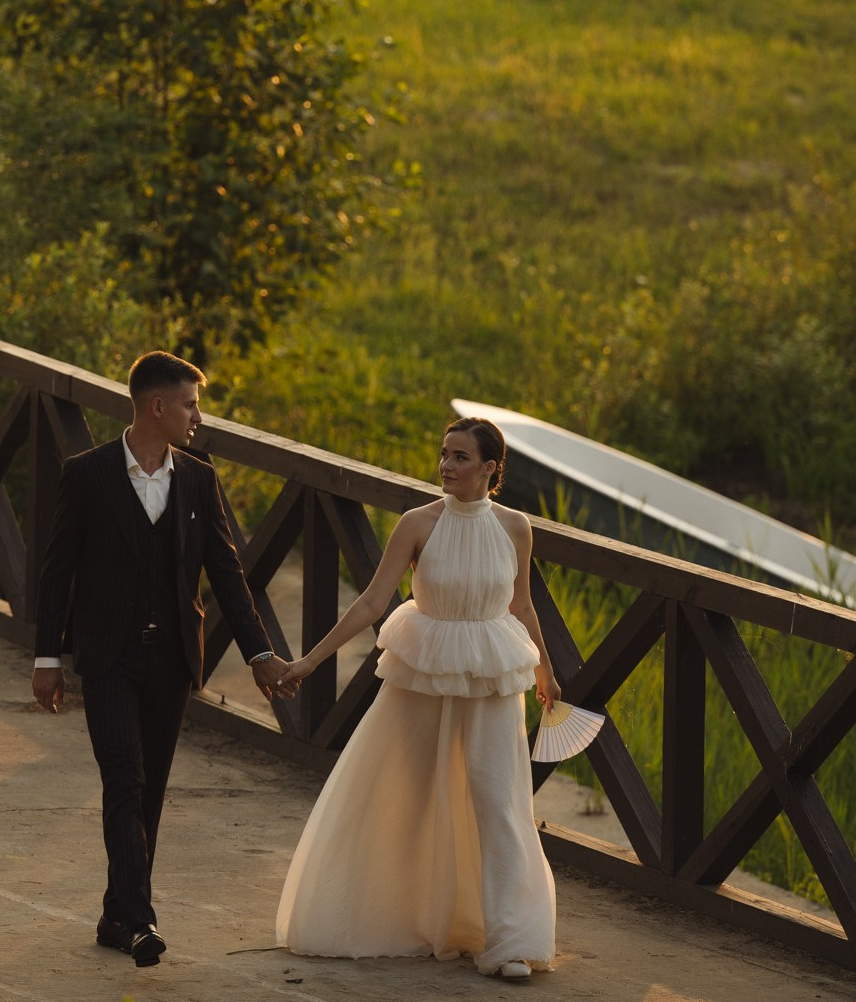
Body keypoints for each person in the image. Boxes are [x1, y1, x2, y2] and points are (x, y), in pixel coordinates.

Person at [32, 349, 297, 969]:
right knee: (124, 779)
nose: (198, 416)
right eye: (190, 404)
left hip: (172, 661)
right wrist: (47, 657)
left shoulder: (200, 479)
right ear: (157, 406)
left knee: (148, 792)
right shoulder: (89, 474)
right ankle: (142, 920)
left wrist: (260, 652)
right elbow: (56, 572)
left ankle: (115, 914)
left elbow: (228, 575)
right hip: (108, 659)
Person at [276, 414, 560, 982]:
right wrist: (309, 660)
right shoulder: (416, 523)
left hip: (493, 674)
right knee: (403, 792)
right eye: (444, 453)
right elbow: (371, 604)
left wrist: (547, 673)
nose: (446, 466)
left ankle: (505, 942)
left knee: (500, 804)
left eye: (460, 457)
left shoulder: (515, 527)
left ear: (490, 468)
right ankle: (404, 917)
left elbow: (523, 606)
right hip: (423, 669)